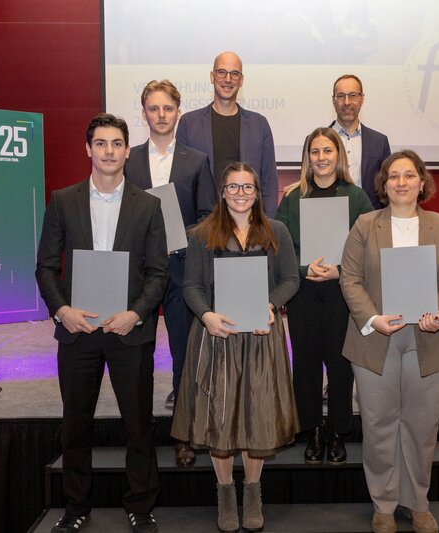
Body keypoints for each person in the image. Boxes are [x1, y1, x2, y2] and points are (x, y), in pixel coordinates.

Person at [36, 113, 168, 533]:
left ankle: (141, 505)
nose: (109, 151)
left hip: (130, 331)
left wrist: (136, 314)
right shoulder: (62, 200)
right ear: (88, 149)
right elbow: (44, 267)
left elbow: (159, 273)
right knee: (75, 424)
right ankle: (76, 507)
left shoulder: (150, 205)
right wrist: (63, 311)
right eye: (101, 143)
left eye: (116, 143)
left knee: (138, 425)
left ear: (128, 150)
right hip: (78, 333)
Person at [339, 150, 439, 533]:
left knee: (422, 424)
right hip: (376, 338)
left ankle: (417, 502)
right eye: (393, 176)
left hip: (427, 338)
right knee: (379, 423)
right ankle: (383, 502)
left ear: (421, 182)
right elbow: (350, 277)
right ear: (384, 185)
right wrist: (373, 319)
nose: (401, 182)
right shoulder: (365, 225)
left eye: (409, 175)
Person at [171, 162, 300, 532]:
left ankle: (253, 490)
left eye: (248, 187)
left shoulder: (276, 231)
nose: (240, 194)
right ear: (222, 192)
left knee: (257, 413)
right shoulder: (202, 234)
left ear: (257, 193)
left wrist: (272, 305)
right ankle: (225, 491)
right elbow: (192, 286)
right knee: (220, 417)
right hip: (217, 337)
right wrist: (207, 315)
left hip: (261, 335)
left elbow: (290, 279)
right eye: (233, 187)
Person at [124, 79, 216, 468]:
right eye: (153, 108)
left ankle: (184, 436)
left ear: (178, 112)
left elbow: (209, 216)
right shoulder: (128, 160)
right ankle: (140, 437)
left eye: (168, 108)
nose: (161, 115)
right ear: (143, 112)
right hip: (140, 273)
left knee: (183, 355)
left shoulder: (196, 161)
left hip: (181, 269)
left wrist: (182, 234)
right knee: (137, 356)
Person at [275, 127, 372, 466]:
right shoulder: (292, 197)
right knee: (305, 364)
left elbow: (367, 247)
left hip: (341, 292)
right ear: (307, 157)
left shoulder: (356, 196)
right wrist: (305, 269)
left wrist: (340, 271)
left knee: (341, 364)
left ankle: (338, 431)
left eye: (327, 151)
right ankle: (313, 430)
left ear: (338, 155)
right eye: (314, 152)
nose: (321, 158)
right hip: (303, 293)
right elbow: (281, 246)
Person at [176, 51, 279, 217]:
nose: (228, 79)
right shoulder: (189, 124)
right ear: (212, 76)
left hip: (249, 225)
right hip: (203, 226)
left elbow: (269, 180)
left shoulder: (259, 125)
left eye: (234, 74)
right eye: (221, 72)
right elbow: (181, 183)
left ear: (242, 80)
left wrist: (266, 224)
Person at [329, 74, 391, 209]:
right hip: (330, 216)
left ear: (362, 99)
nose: (346, 102)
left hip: (371, 219)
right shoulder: (316, 142)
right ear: (333, 101)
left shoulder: (380, 142)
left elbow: (387, 188)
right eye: (340, 96)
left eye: (353, 96)